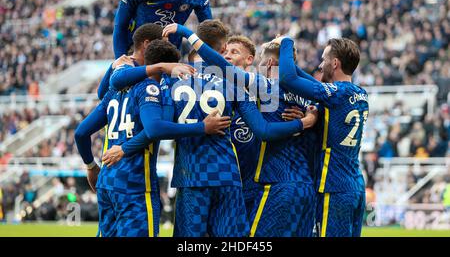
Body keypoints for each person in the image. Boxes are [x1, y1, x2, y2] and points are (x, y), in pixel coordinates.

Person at [111, 20, 318, 237]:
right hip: (227, 177)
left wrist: (125, 148)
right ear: (221, 50)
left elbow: (157, 129)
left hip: (192, 176)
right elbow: (264, 130)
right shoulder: (235, 83)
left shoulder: (172, 81)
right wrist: (304, 120)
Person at [74, 39, 228, 237]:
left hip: (107, 182)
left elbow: (81, 133)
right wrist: (202, 127)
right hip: (134, 184)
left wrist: (91, 166)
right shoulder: (150, 89)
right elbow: (155, 128)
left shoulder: (114, 92)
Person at [278, 37, 369, 237]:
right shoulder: (360, 94)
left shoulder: (337, 93)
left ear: (335, 63)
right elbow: (311, 86)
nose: (320, 65)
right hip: (354, 184)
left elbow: (286, 78)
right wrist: (313, 115)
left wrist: (286, 42)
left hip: (334, 186)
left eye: (324, 59)